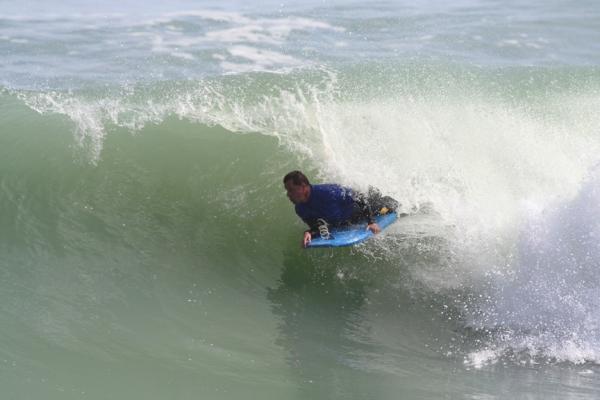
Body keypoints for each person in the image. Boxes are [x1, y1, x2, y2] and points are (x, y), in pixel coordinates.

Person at [283, 170, 398, 247]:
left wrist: (371, 221)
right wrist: (309, 233)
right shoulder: (300, 209)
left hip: (366, 208)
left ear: (303, 187)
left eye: (291, 190)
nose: (288, 195)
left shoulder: (329, 193)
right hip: (347, 220)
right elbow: (318, 225)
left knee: (391, 207)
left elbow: (360, 197)